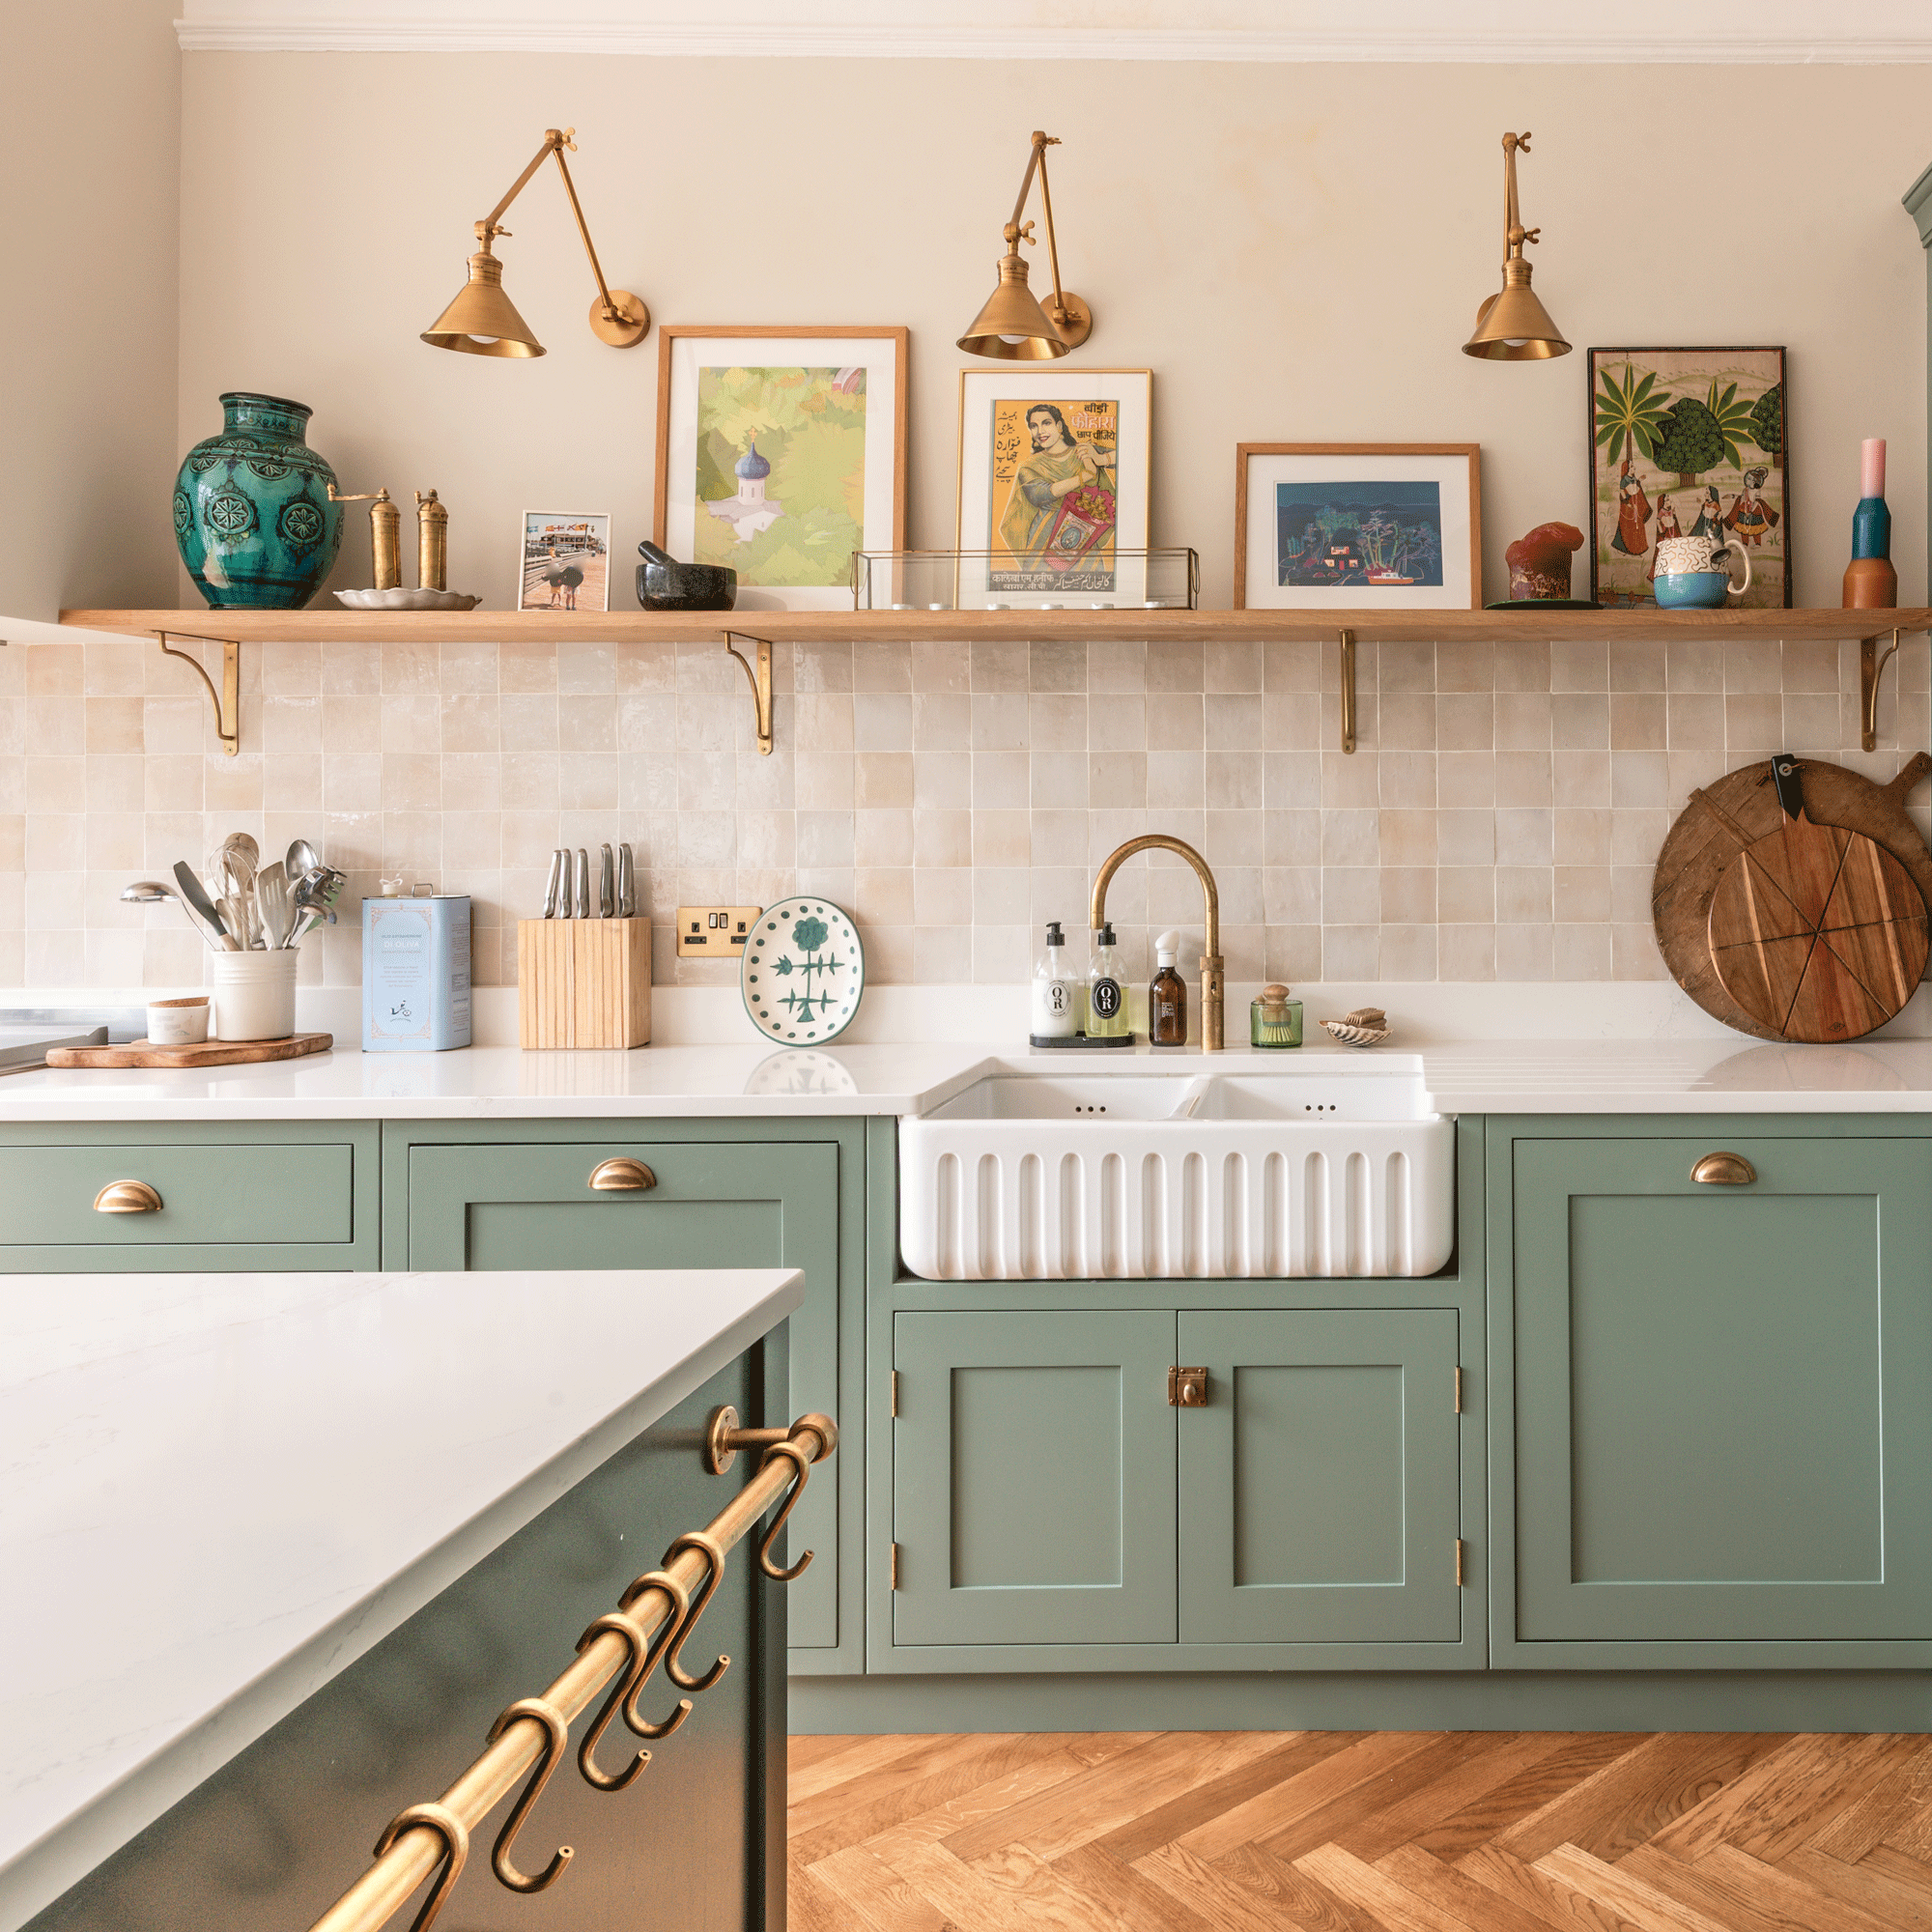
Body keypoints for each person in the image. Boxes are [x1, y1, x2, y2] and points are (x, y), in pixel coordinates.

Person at [998, 404, 1116, 566]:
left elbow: (1134, 455)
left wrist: (1103, 459)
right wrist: (1085, 476)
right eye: (1034, 426)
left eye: (1046, 423)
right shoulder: (1029, 466)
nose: (1040, 431)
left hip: (1085, 540)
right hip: (1044, 541)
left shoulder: (1083, 452)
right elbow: (1040, 494)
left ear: (1059, 426)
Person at [1724, 467, 1780, 548]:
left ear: (1755, 481)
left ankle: (1757, 543)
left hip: (1754, 509)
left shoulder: (1756, 491)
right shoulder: (1745, 490)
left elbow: (1757, 501)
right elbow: (1742, 498)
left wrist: (1751, 511)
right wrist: (1733, 496)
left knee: (1755, 528)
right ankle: (1745, 543)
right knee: (1743, 527)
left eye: (1750, 479)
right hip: (1744, 509)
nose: (1747, 480)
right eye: (1748, 478)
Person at [1610, 453, 1652, 558]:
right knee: (1627, 528)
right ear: (1628, 468)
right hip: (1628, 509)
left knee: (1637, 528)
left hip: (1636, 507)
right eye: (1632, 466)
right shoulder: (1624, 480)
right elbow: (1623, 493)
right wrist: (1628, 504)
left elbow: (1635, 488)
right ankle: (1626, 549)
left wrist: (1640, 481)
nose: (1634, 468)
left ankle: (1637, 549)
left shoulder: (1633, 478)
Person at [1646, 496, 1681, 582]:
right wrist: (1661, 532)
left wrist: (1674, 514)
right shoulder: (1661, 511)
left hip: (1672, 535)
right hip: (1665, 535)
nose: (1670, 501)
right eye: (1668, 500)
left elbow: (1674, 523)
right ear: (1664, 502)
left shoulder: (1670, 511)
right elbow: (1658, 521)